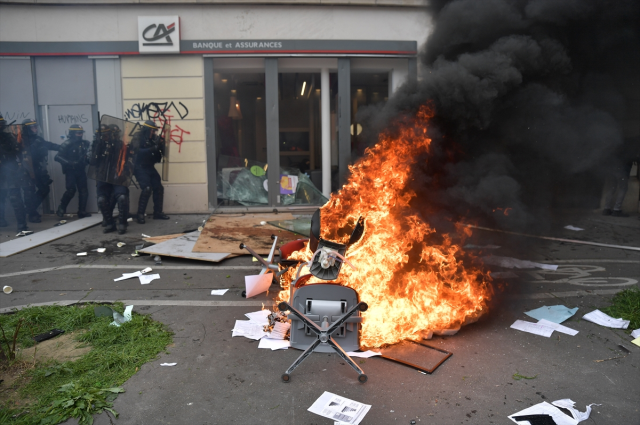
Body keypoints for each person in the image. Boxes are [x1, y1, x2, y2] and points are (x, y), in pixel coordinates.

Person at [91, 124, 133, 234]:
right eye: (101, 135)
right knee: (102, 200)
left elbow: (127, 157)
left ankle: (122, 223)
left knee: (122, 197)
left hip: (116, 174)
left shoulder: (118, 144)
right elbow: (92, 162)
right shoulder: (95, 145)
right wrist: (98, 148)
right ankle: (110, 223)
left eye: (105, 135)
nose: (104, 137)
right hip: (103, 175)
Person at [20, 118, 60, 223]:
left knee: (44, 189)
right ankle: (32, 214)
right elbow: (23, 153)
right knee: (29, 193)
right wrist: (34, 145)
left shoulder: (38, 139)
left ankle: (29, 210)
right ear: (27, 129)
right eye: (33, 127)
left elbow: (49, 145)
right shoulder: (21, 140)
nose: (36, 129)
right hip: (26, 170)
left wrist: (64, 147)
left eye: (36, 126)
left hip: (38, 169)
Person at [132, 120, 169, 224]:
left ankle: (158, 212)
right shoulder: (138, 137)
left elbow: (161, 154)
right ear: (147, 129)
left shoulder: (154, 139)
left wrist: (161, 146)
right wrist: (152, 149)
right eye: (153, 131)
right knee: (147, 188)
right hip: (139, 167)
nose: (154, 133)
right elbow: (136, 151)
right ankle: (140, 214)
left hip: (149, 167)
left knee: (158, 187)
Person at [54, 124, 91, 218]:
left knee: (84, 191)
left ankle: (82, 211)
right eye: (78, 133)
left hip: (81, 170)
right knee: (71, 190)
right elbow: (57, 157)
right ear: (73, 133)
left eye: (81, 133)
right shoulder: (67, 144)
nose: (80, 135)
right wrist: (70, 163)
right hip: (71, 171)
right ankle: (61, 208)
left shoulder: (85, 143)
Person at [0, 114, 29, 231]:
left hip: (10, 171)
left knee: (15, 198)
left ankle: (22, 226)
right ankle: (2, 220)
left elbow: (18, 153)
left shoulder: (9, 138)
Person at [602, 137, 640, 217]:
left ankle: (606, 209)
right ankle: (617, 210)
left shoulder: (617, 148)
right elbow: (635, 160)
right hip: (621, 172)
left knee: (612, 188)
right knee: (623, 188)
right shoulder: (630, 151)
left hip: (612, 171)